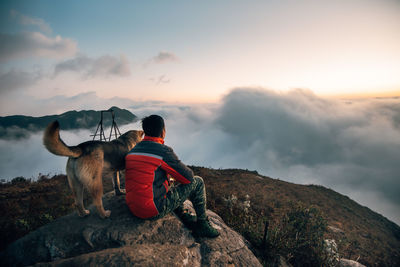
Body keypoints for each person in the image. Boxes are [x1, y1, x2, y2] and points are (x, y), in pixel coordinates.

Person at [125, 115, 219, 238]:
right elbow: (188, 178)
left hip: (133, 208)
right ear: (163, 131)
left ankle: (180, 210)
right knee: (198, 182)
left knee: (168, 176)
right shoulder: (163, 151)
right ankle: (202, 224)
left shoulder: (133, 150)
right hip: (152, 210)